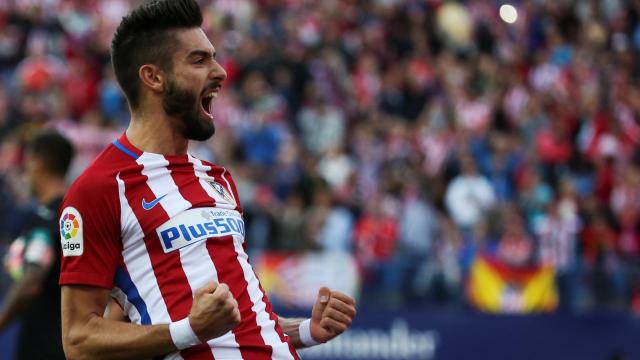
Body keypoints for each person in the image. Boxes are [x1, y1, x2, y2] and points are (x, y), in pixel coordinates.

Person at [59, 1, 357, 359]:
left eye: (214, 58)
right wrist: (190, 330)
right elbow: (78, 339)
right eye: (199, 60)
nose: (220, 72)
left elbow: (240, 320)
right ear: (153, 77)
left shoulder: (218, 179)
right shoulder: (100, 189)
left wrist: (306, 330)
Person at [0, 131, 74, 360]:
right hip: (65, 339)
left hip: (43, 344)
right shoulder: (73, 212)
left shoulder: (45, 218)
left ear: (37, 162)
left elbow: (32, 280)